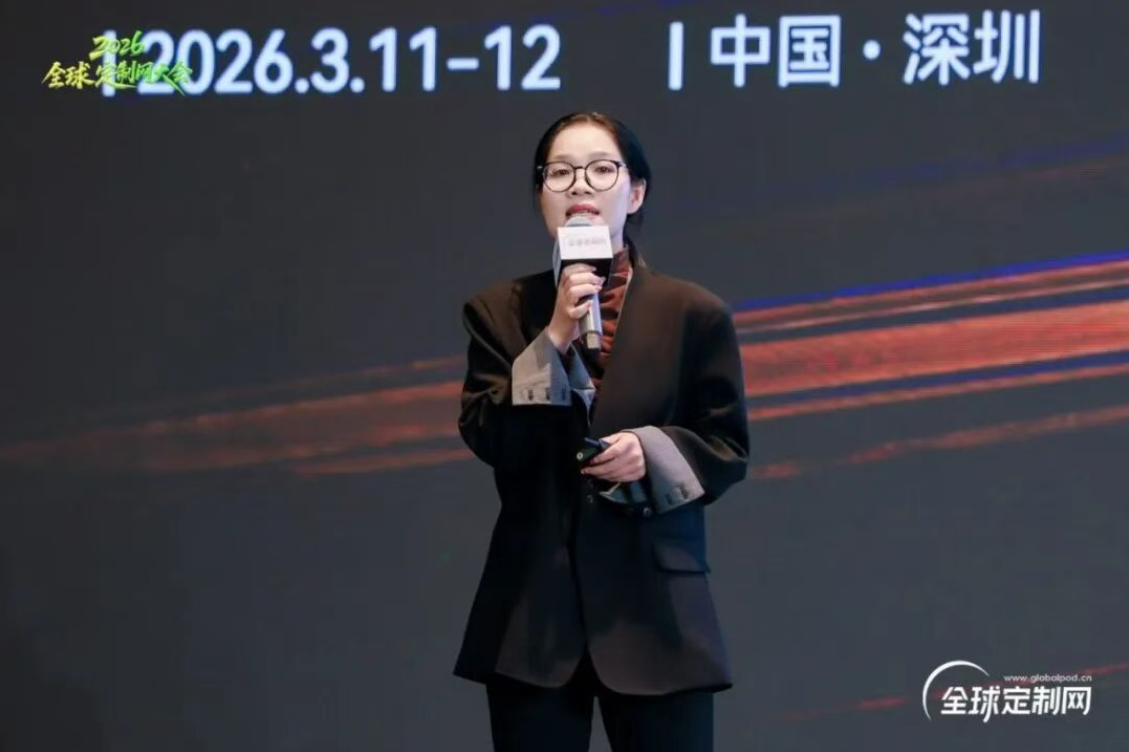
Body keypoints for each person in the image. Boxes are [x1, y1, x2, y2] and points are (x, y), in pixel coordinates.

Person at [453, 111, 750, 752]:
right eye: (559, 173)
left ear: (635, 192)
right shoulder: (498, 312)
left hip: (659, 616)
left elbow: (726, 446)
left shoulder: (692, 312)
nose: (580, 185)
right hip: (532, 617)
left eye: (600, 169)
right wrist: (554, 338)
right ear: (541, 197)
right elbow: (489, 436)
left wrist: (652, 453)